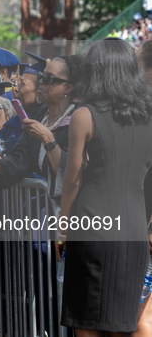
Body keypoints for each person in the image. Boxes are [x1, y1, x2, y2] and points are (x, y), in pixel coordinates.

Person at [55, 39, 152, 336]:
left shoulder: (84, 115)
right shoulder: (149, 114)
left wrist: (64, 220)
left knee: (85, 322)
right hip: (134, 226)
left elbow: (72, 179)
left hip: (92, 223)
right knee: (121, 322)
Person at [0, 54, 87, 201]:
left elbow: (71, 175)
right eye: (41, 76)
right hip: (46, 209)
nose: (41, 81)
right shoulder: (40, 115)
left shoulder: (79, 119)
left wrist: (48, 138)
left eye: (49, 79)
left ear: (68, 88)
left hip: (74, 208)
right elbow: (20, 159)